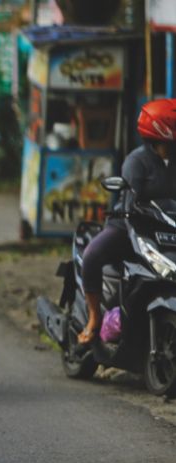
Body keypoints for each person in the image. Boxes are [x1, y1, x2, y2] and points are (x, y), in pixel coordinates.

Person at [78, 99, 176, 343]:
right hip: (129, 226)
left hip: (165, 229)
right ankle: (93, 318)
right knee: (92, 256)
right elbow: (132, 200)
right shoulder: (136, 161)